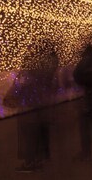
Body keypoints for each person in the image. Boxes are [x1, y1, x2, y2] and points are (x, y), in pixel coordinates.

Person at [15, 40, 59, 172]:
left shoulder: (33, 65)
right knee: (39, 130)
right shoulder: (49, 62)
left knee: (28, 132)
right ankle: (40, 157)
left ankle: (30, 162)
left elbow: (23, 83)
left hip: (30, 102)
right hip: (42, 101)